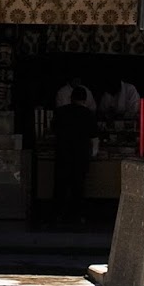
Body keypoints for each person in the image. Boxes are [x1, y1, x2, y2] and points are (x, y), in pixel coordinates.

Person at [51, 77, 96, 224]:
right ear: (85, 99)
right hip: (80, 155)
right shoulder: (88, 114)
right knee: (78, 186)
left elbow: (53, 130)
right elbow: (94, 136)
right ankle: (78, 215)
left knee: (61, 185)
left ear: (71, 98)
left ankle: (58, 214)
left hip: (63, 153)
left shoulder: (61, 112)